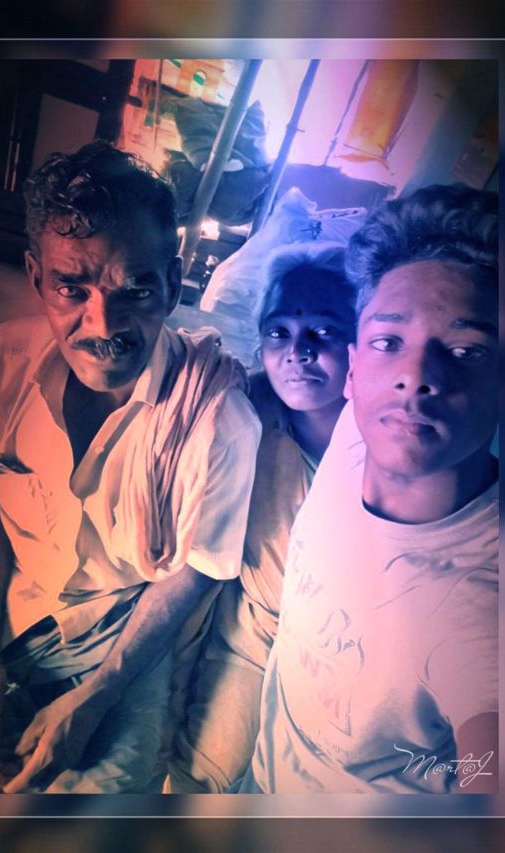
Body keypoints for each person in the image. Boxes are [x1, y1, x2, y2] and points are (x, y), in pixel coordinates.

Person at [0, 142, 261, 794]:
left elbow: (196, 568)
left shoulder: (218, 419)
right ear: (35, 277)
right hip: (12, 607)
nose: (103, 324)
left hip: (126, 635)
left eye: (136, 288)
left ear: (174, 282)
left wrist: (98, 695)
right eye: (71, 288)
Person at [241, 183, 500, 794]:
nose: (415, 377)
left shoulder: (489, 607)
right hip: (260, 771)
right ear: (355, 368)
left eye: (466, 351)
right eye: (389, 343)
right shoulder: (354, 434)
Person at [168, 242, 358, 792]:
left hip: (346, 647)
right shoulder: (242, 408)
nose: (298, 351)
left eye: (323, 331)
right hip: (254, 631)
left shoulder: (389, 435)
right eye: (279, 332)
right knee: (204, 775)